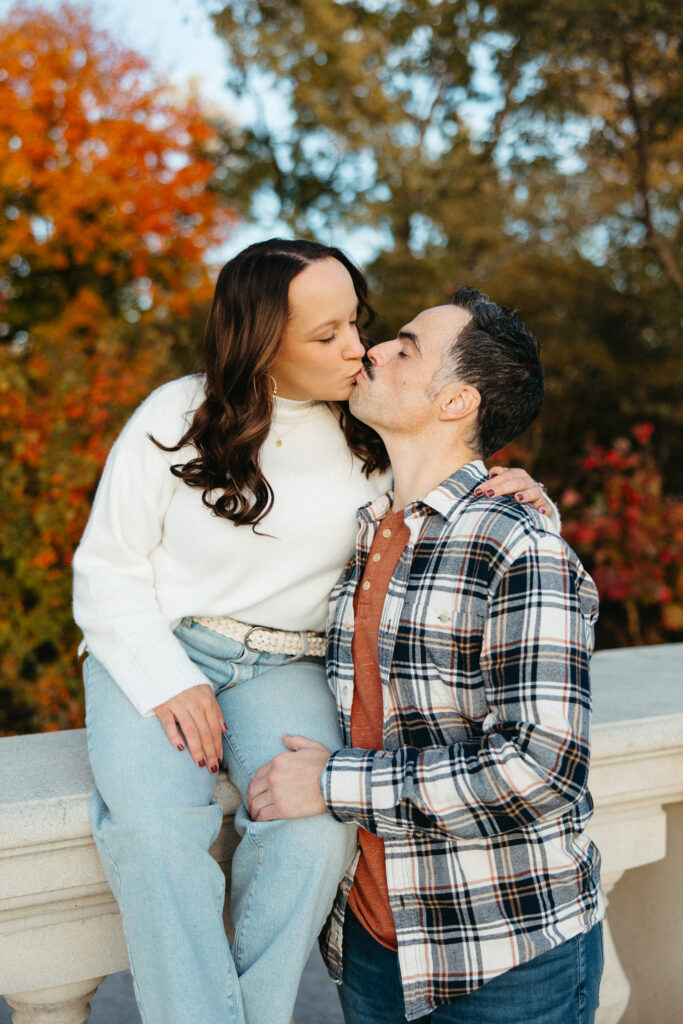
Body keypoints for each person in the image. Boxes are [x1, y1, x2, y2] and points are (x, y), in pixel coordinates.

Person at [73, 239, 552, 1024]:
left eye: (355, 324)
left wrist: (528, 491)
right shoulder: (175, 414)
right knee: (155, 840)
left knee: (313, 835)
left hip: (287, 664)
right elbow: (105, 569)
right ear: (263, 343)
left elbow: (448, 506)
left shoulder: (367, 430)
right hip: (157, 645)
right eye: (325, 336)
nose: (357, 348)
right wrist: (169, 680)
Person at [247, 286, 605, 1024]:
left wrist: (334, 784)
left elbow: (540, 771)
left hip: (503, 954)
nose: (371, 349)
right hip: (373, 944)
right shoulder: (360, 526)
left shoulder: (519, 545)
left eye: (404, 347)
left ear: (455, 402)